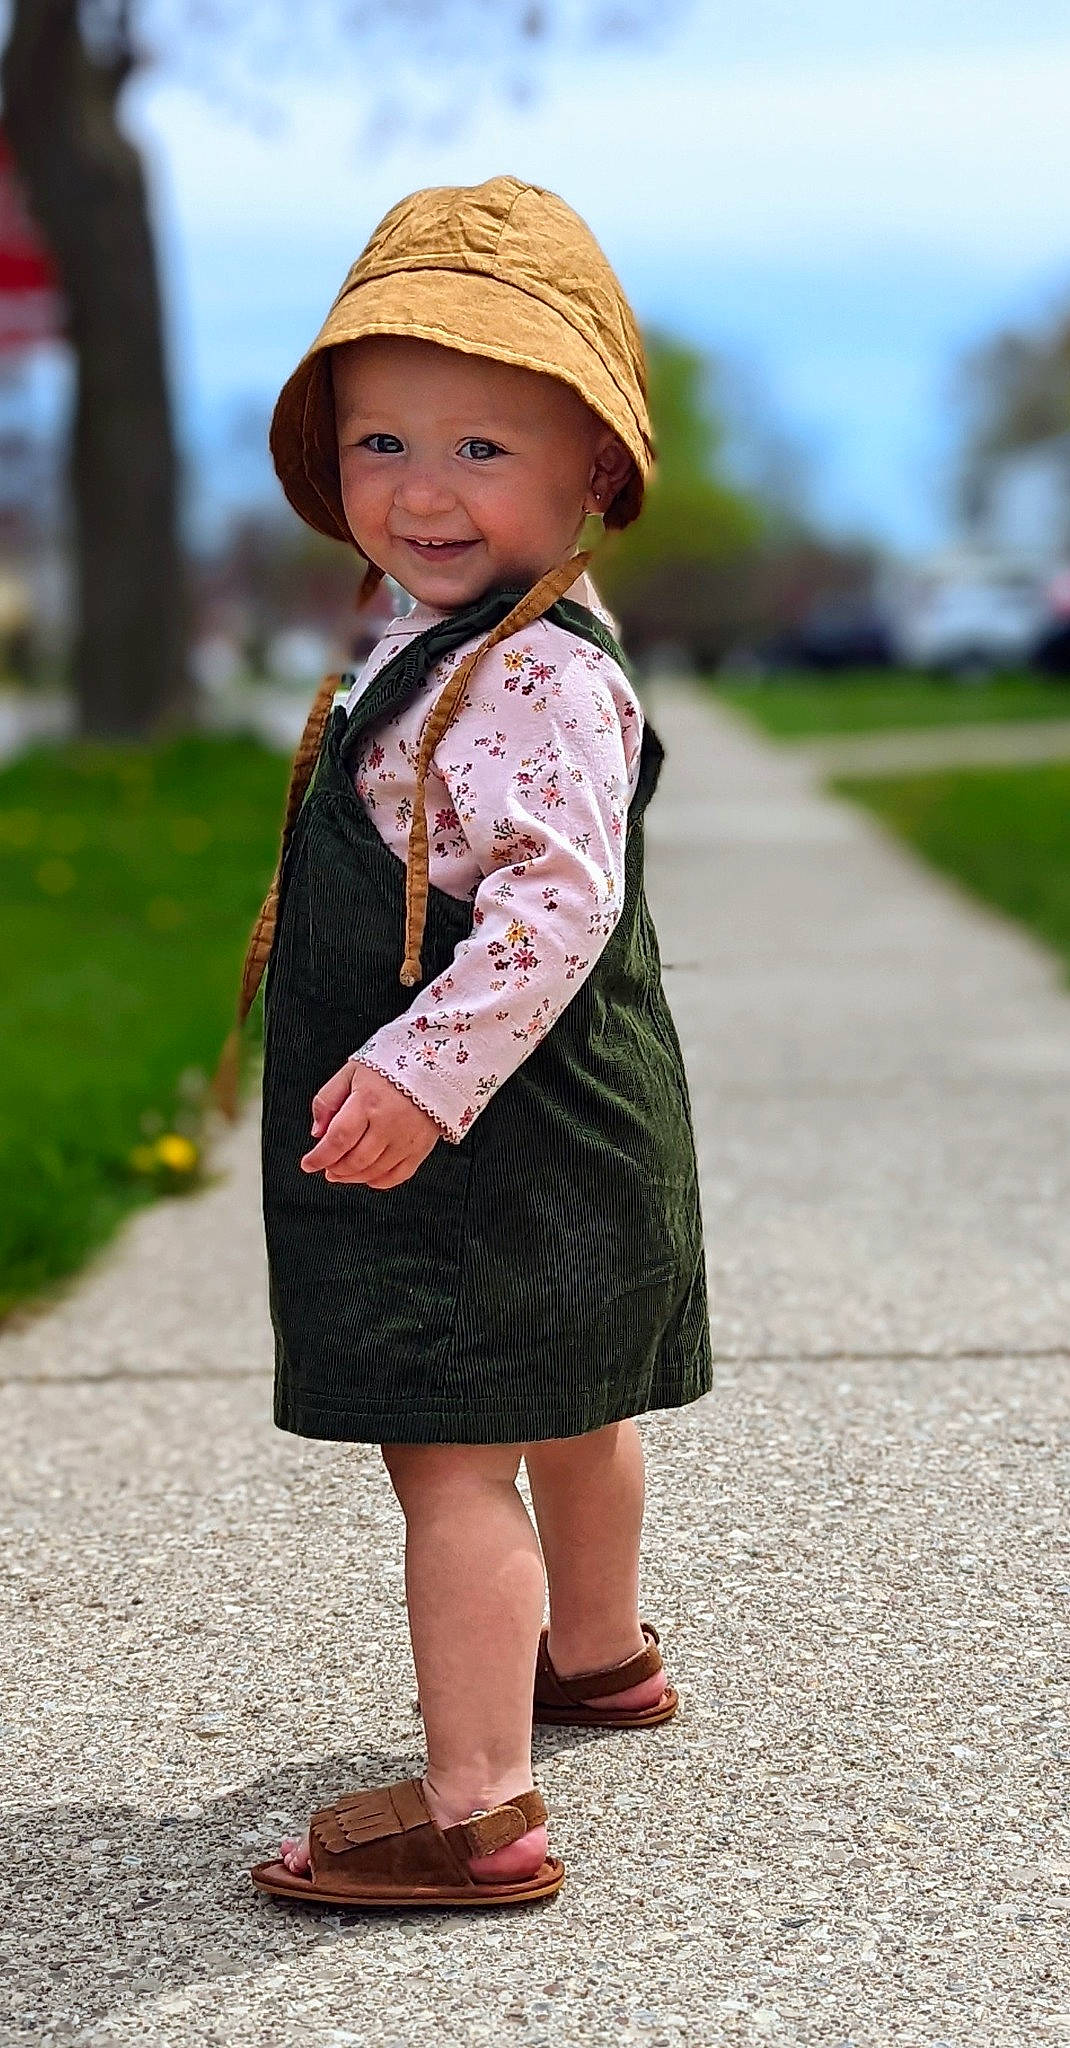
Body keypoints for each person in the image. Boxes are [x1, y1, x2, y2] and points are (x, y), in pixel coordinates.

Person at [239, 177, 712, 1908]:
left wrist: (417, 1078)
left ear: (591, 465)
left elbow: (552, 911)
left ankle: (477, 1805)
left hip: (476, 1142)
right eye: (380, 443)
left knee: (452, 1459)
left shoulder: (529, 676)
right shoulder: (463, 641)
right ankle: (591, 1654)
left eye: (481, 450)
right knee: (578, 1407)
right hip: (571, 1131)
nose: (421, 493)